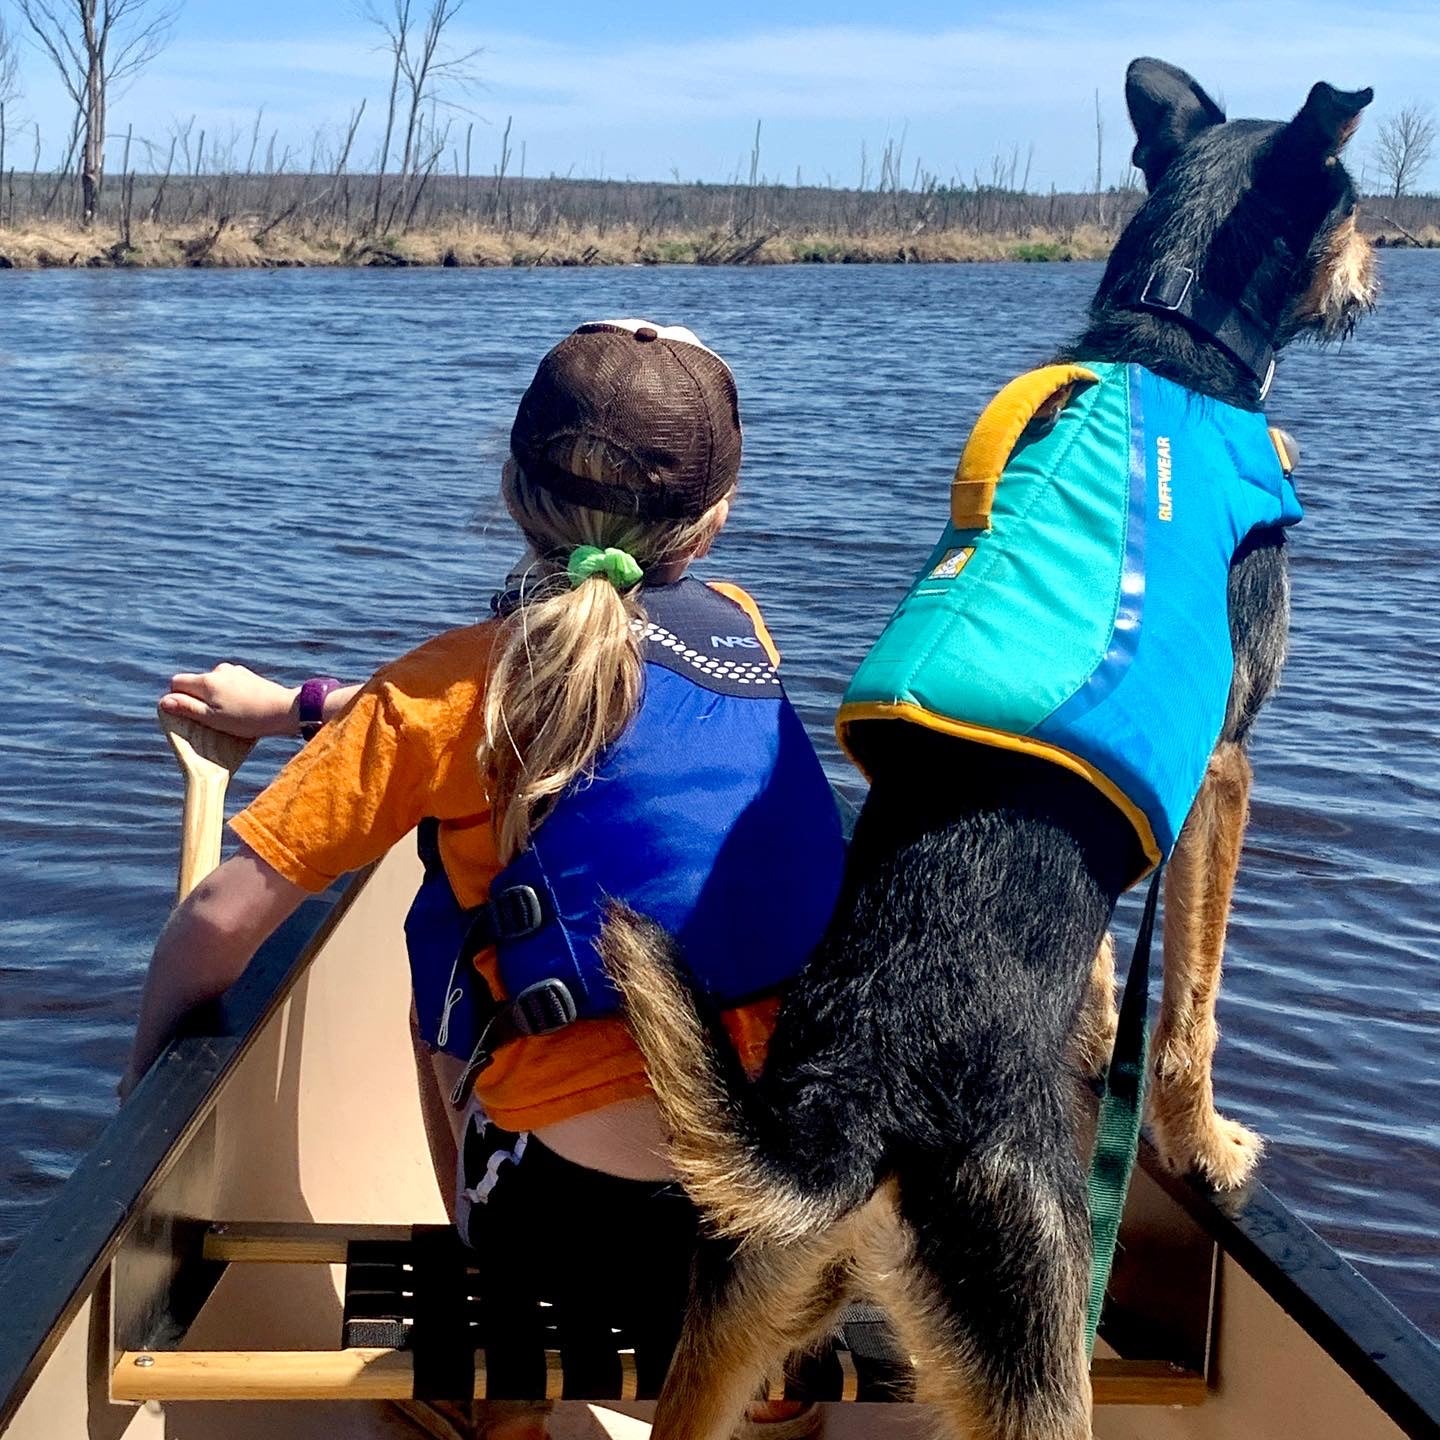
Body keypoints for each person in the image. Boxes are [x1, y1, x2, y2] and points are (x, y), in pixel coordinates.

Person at [129, 319, 846, 1439]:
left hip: (575, 1230)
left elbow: (217, 924)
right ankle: (779, 1400)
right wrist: (301, 708)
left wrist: (144, 1124)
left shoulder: (439, 695)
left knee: (441, 918)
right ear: (715, 526)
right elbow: (593, 682)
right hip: (790, 1214)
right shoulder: (743, 632)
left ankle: (499, 1406)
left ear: (510, 486)